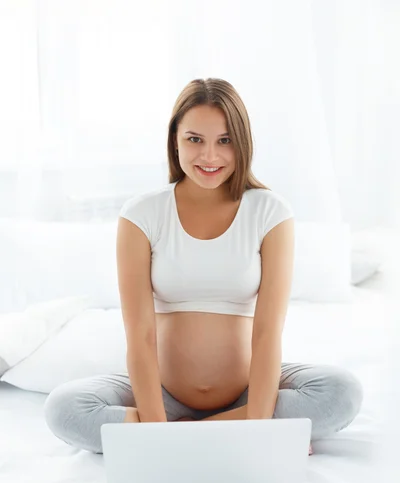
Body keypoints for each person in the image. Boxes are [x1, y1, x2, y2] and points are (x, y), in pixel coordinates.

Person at [44, 78, 363, 456]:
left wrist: (257, 426)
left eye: (224, 141)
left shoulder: (270, 212)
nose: (209, 156)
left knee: (342, 393)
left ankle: (200, 431)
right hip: (161, 396)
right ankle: (205, 432)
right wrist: (156, 422)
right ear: (174, 140)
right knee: (64, 408)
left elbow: (266, 334)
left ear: (241, 143)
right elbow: (141, 337)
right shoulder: (141, 214)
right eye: (195, 139)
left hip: (248, 393)